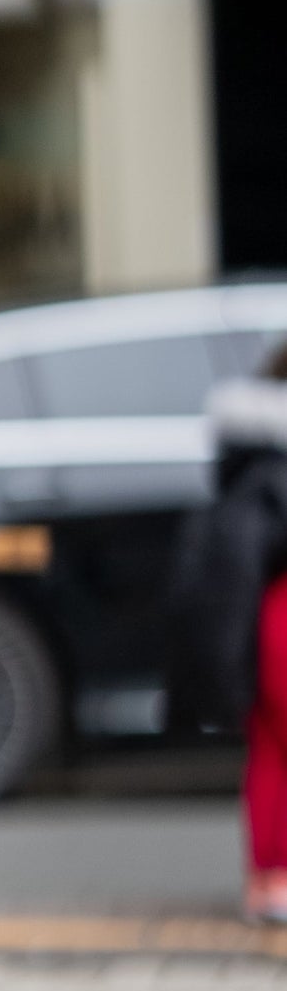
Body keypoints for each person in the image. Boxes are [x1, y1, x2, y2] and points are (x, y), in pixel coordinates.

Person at [174, 347, 287, 921]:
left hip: (255, 626)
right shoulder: (276, 469)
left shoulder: (243, 462)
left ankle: (266, 879)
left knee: (268, 751)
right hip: (279, 617)